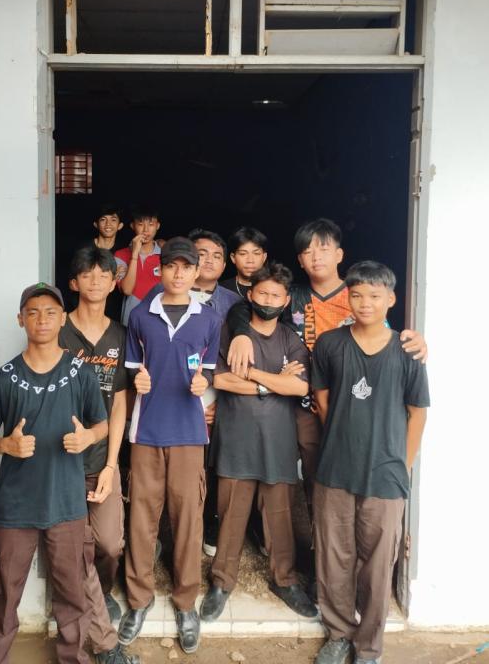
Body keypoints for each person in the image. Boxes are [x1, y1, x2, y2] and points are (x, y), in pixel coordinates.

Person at [0, 283, 136, 664]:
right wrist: (5, 445)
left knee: (72, 595)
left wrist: (87, 438)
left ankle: (72, 659)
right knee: (5, 595)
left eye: (50, 312)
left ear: (62, 319)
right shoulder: (3, 378)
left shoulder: (81, 373)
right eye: (32, 312)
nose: (42, 320)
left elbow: (102, 424)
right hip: (15, 506)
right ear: (21, 320)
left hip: (67, 504)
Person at [226, 218, 427, 512]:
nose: (315, 257)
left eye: (323, 248)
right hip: (300, 402)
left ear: (339, 254)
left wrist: (416, 340)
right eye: (307, 251)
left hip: (350, 403)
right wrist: (242, 333)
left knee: (346, 481)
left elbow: (386, 336)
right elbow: (244, 306)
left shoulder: (360, 293)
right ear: (300, 260)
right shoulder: (293, 296)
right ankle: (311, 532)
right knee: (307, 476)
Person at [311, 261, 429, 664]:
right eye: (357, 294)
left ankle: (368, 646)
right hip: (334, 469)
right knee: (333, 556)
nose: (365, 303)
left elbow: (417, 413)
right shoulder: (330, 344)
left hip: (386, 475)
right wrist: (345, 436)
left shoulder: (408, 351)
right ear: (348, 296)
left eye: (375, 296)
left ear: (390, 299)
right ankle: (338, 634)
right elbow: (322, 400)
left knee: (378, 565)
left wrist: (403, 466)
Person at [118, 237, 222, 655]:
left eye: (186, 267)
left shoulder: (208, 319)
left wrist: (204, 383)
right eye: (172, 266)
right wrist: (137, 379)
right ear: (160, 269)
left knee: (188, 519)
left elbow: (208, 371)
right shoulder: (140, 315)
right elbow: (131, 370)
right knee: (141, 518)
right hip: (146, 431)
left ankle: (185, 602)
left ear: (196, 272)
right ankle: (138, 599)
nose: (178, 274)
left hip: (189, 433)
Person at [200, 262, 317, 623]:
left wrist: (250, 373)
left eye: (275, 296)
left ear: (285, 302)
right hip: (236, 437)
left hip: (278, 441)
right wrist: (273, 383)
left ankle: (285, 580)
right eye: (262, 293)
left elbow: (299, 386)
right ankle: (222, 582)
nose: (267, 300)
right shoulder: (230, 333)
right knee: (230, 513)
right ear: (250, 295)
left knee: (279, 515)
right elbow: (221, 380)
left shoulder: (290, 340)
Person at [59, 246, 129, 630]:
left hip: (102, 457)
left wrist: (111, 465)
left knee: (109, 544)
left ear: (115, 283)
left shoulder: (120, 335)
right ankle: (79, 601)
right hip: (62, 457)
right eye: (87, 274)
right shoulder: (58, 331)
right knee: (71, 541)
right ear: (74, 283)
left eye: (104, 274)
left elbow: (119, 405)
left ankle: (101, 592)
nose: (96, 281)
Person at [114, 207, 162, 326]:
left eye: (151, 224)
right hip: (130, 322)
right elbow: (127, 290)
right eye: (140, 224)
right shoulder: (120, 255)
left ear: (157, 226)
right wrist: (134, 254)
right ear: (132, 226)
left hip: (159, 321)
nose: (146, 230)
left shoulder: (165, 257)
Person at [92, 203, 125, 321]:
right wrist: (112, 276)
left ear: (120, 225)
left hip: (115, 311)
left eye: (113, 220)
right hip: (89, 308)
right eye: (103, 219)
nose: (108, 224)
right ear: (96, 224)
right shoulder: (85, 249)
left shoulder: (124, 252)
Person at [220, 226, 268, 300]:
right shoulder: (221, 289)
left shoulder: (275, 288)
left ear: (264, 257)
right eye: (243, 254)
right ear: (233, 258)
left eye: (256, 253)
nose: (250, 260)